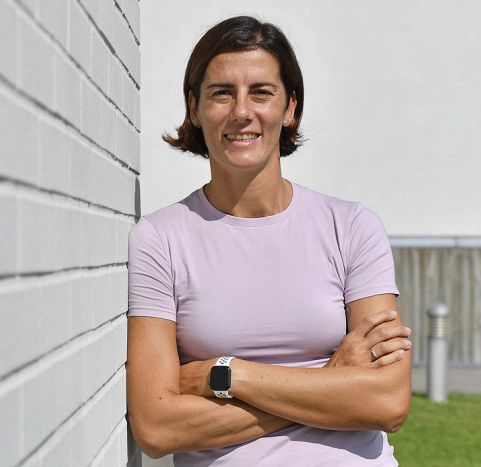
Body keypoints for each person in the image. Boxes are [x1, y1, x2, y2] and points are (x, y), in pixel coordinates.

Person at [127, 16, 412, 466]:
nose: (242, 111)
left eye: (261, 92)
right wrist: (331, 381)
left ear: (290, 107)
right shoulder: (160, 239)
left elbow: (387, 402)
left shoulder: (351, 227)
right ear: (194, 108)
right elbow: (158, 427)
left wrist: (227, 375)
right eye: (222, 92)